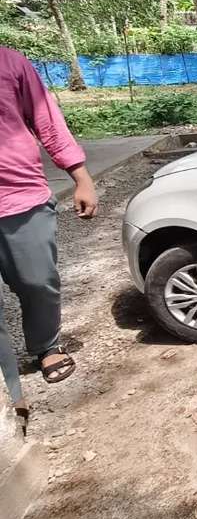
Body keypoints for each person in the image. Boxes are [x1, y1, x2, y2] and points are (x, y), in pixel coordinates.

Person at [1, 47, 97, 437]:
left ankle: (46, 345)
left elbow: (47, 121)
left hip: (19, 197)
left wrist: (81, 177)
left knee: (38, 282)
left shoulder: (10, 62)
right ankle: (11, 388)